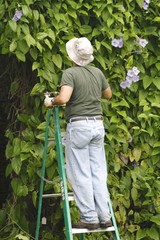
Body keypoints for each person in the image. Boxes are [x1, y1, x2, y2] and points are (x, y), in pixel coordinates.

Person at [44, 37, 112, 230]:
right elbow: (108, 95)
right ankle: (104, 216)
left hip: (79, 126)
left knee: (80, 173)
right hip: (97, 126)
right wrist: (89, 96)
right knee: (98, 172)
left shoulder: (70, 73)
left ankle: (90, 219)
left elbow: (64, 97)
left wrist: (51, 101)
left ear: (72, 56)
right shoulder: (97, 72)